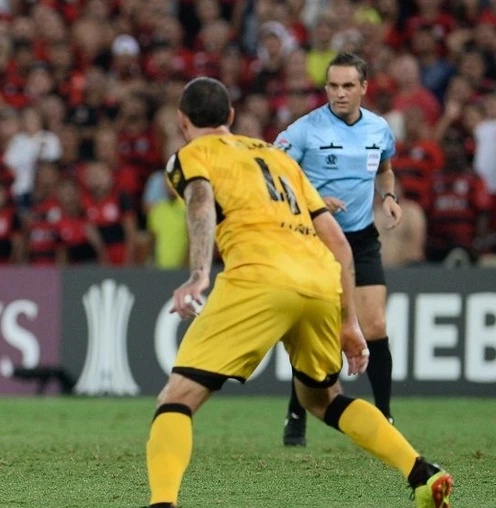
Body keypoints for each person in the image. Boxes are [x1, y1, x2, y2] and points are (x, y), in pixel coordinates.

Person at [145, 77, 452, 508]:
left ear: (181, 122)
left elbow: (198, 199)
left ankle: (162, 504)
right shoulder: (278, 157)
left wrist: (198, 273)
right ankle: (422, 472)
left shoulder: (192, 155)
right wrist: (349, 322)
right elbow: (339, 243)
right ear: (231, 117)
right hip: (319, 279)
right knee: (324, 399)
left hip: (258, 278)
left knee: (176, 399)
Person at [274, 52, 401, 446]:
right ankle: (297, 411)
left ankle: (385, 416)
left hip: (361, 239)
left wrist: (389, 196)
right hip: (316, 240)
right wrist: (314, 200)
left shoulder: (379, 129)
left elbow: (384, 167)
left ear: (364, 87)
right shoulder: (304, 130)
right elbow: (271, 175)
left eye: (348, 86)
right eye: (333, 86)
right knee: (318, 336)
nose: (339, 93)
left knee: (375, 326)